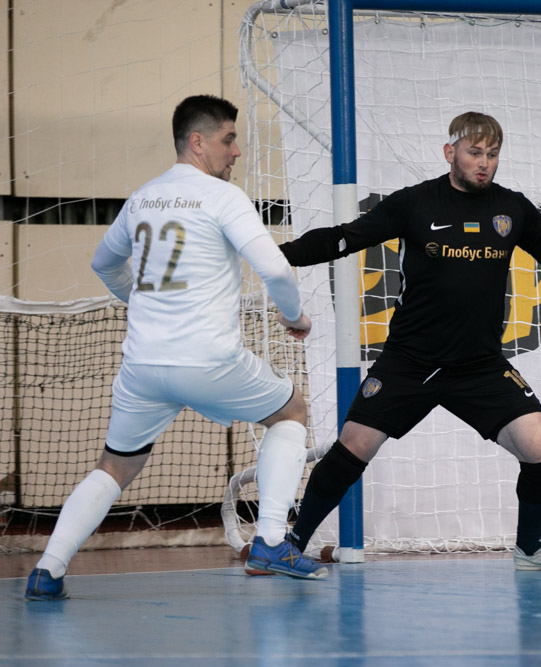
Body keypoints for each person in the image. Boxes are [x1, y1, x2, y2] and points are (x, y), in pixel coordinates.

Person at [278, 112, 541, 571]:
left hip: (479, 366)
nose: (484, 163)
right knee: (351, 450)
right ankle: (287, 547)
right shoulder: (414, 203)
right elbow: (341, 240)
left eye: (492, 154)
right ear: (450, 153)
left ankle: (530, 550)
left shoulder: (512, 209)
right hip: (409, 362)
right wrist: (272, 257)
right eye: (475, 152)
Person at [25, 95, 327, 600]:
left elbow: (103, 263)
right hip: (208, 360)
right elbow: (275, 268)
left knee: (114, 467)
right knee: (290, 411)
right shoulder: (223, 197)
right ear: (197, 142)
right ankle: (272, 541)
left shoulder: (142, 198)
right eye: (229, 140)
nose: (236, 151)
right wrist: (295, 317)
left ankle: (47, 570)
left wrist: (142, 302)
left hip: (143, 366)